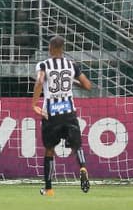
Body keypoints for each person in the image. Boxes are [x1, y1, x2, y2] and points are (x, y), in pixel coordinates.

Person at [32, 35, 92, 196]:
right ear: (63, 49)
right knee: (76, 145)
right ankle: (83, 167)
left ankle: (49, 188)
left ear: (50, 49)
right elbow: (87, 85)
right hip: (69, 111)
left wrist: (34, 105)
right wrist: (72, 81)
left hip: (51, 113)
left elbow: (39, 82)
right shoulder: (71, 65)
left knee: (50, 149)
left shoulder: (44, 65)